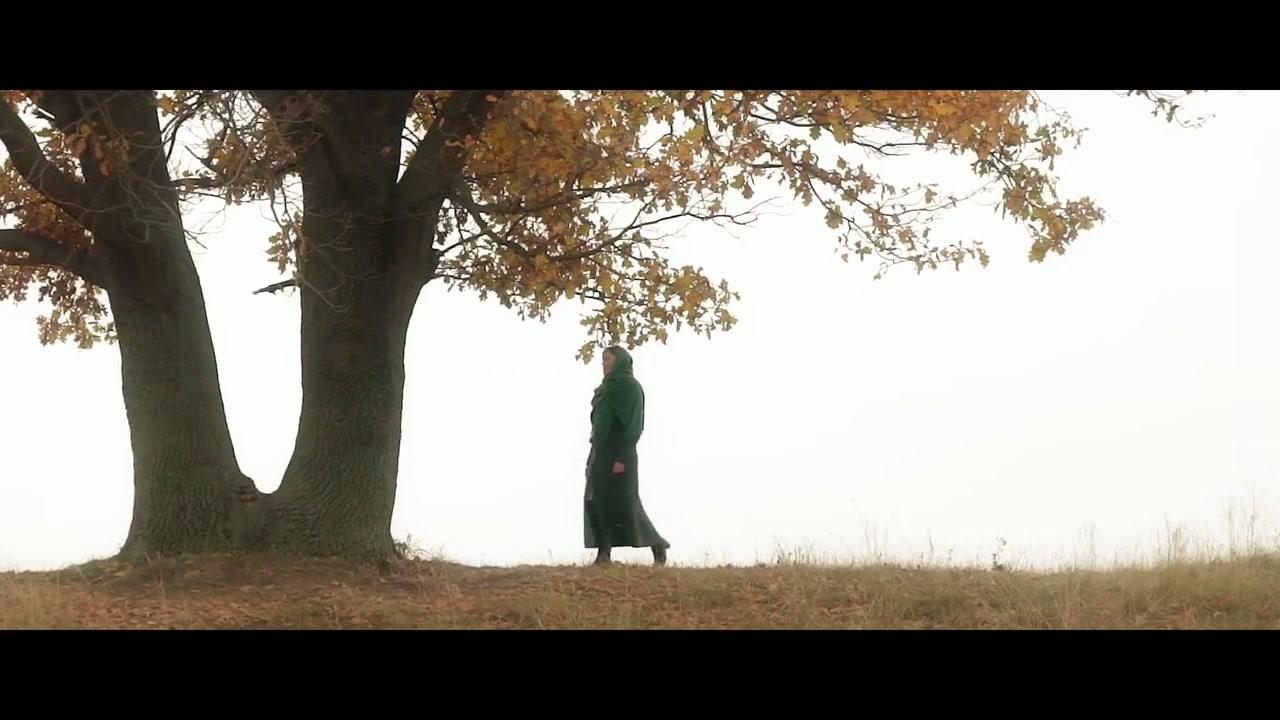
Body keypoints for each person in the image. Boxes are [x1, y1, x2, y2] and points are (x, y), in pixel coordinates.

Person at [583, 345, 670, 567]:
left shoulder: (630, 388)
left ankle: (657, 545)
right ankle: (604, 553)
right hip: (600, 450)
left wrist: (621, 458)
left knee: (625, 504)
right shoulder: (604, 389)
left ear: (619, 361)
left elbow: (633, 425)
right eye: (603, 359)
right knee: (596, 500)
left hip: (620, 451)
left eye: (608, 359)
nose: (604, 363)